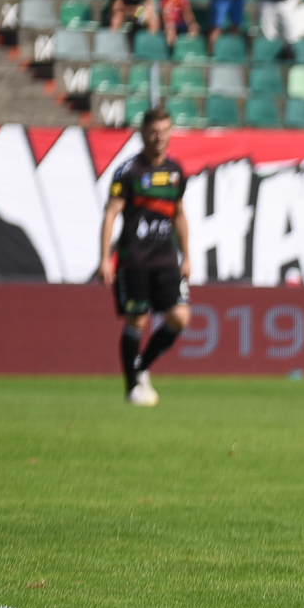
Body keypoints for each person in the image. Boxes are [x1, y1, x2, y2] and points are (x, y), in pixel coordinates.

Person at [99, 109, 194, 407]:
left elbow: (179, 214)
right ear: (142, 133)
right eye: (153, 131)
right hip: (135, 260)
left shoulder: (175, 172)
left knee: (180, 317)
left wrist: (187, 255)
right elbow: (111, 213)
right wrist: (105, 258)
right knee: (137, 320)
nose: (159, 137)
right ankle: (132, 388)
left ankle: (141, 367)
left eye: (164, 131)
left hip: (165, 260)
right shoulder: (128, 171)